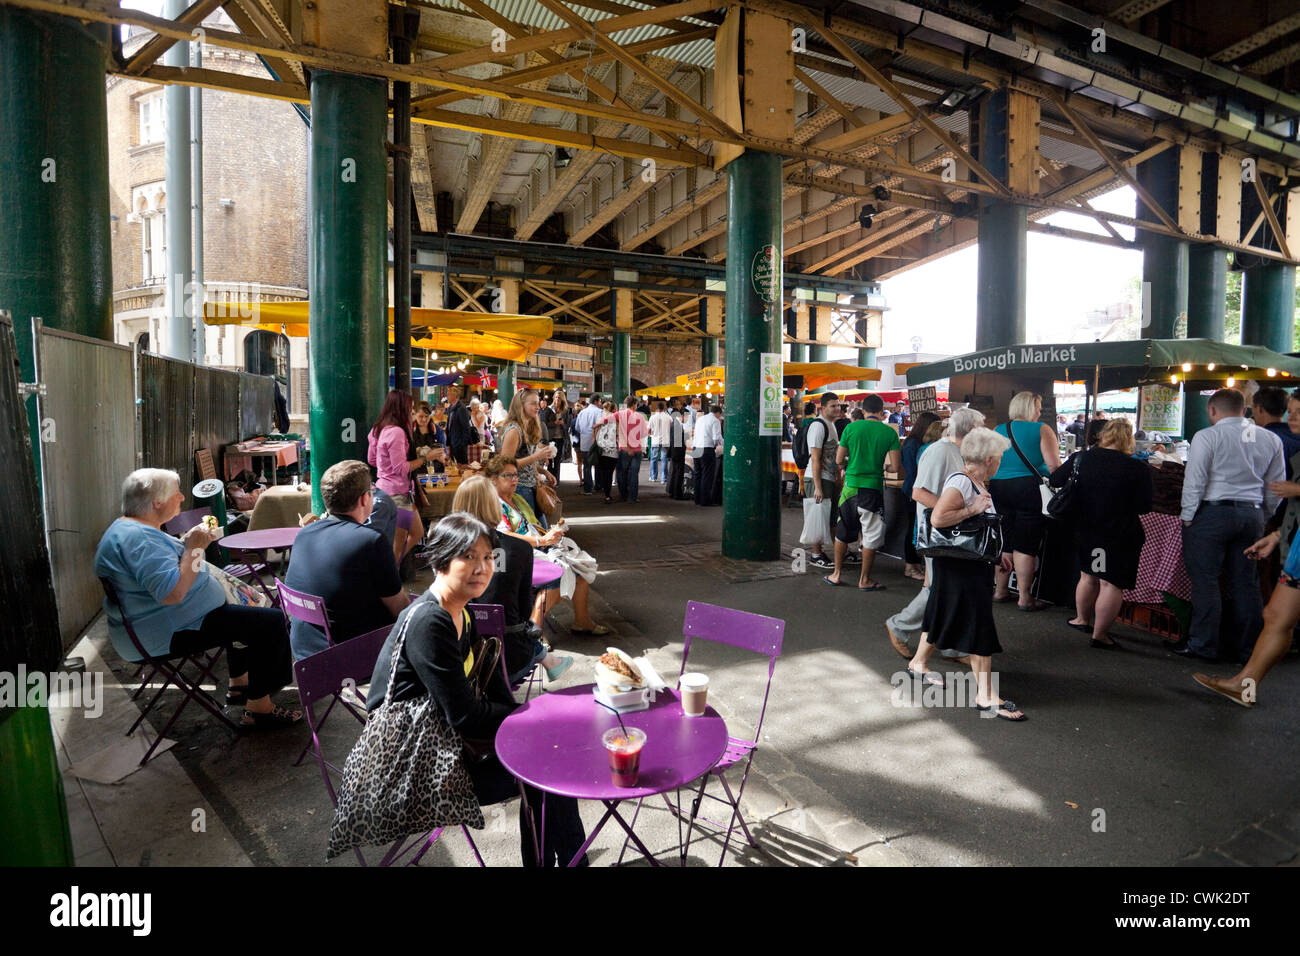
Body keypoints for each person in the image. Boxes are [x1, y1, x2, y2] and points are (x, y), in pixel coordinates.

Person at [365, 513, 588, 866]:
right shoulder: (430, 621)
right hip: (417, 768)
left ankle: (569, 862)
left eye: (487, 557)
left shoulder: (460, 611)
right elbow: (465, 714)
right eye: (468, 557)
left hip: (449, 741)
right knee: (546, 768)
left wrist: (531, 722)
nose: (481, 567)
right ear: (440, 560)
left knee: (549, 753)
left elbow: (489, 682)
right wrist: (528, 719)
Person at [93, 468, 300, 728]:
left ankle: (240, 684)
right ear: (157, 502)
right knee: (271, 623)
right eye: (175, 493)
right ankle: (259, 708)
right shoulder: (138, 540)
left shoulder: (129, 527)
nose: (181, 497)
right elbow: (172, 592)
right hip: (164, 632)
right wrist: (194, 548)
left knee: (241, 606)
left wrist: (189, 548)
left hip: (166, 622)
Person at [905, 428, 1024, 720]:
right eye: (999, 458)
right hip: (961, 565)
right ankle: (985, 695)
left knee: (942, 608)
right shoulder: (963, 482)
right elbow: (939, 517)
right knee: (978, 622)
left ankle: (918, 663)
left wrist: (996, 556)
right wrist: (972, 509)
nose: (1000, 463)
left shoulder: (971, 480)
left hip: (963, 562)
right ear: (989, 459)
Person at [1178, 388, 1284, 662]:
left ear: (1212, 410)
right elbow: (1275, 487)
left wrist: (1188, 515)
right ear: (1244, 410)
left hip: (1212, 514)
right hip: (1252, 515)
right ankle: (1248, 648)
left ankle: (1204, 645)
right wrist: (1263, 515)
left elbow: (1195, 480)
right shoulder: (1270, 439)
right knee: (1245, 582)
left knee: (1206, 581)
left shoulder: (1207, 436)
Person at [885, 406, 986, 662]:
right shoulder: (940, 451)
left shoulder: (954, 451)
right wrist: (963, 510)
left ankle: (950, 644)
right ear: (970, 429)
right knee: (940, 587)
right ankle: (901, 625)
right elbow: (919, 492)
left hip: (948, 529)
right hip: (940, 531)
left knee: (943, 587)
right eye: (980, 426)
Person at [284, 461, 409, 660]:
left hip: (305, 651)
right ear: (364, 499)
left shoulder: (303, 534)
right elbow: (400, 609)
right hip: (349, 654)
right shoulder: (371, 541)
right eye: (371, 491)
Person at [452, 476, 572, 683]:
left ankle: (549, 660)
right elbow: (525, 611)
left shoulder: (447, 547)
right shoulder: (518, 549)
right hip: (506, 659)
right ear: (494, 505)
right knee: (518, 624)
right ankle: (548, 660)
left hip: (457, 661)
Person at [1050, 419, 1152, 649]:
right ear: (1128, 439)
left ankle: (1081, 619)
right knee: (1111, 584)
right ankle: (1100, 635)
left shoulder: (1082, 458)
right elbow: (1145, 506)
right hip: (1120, 531)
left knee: (1088, 576)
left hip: (1086, 527)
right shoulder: (1137, 468)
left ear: (1104, 435)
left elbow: (1056, 479)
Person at [484, 456, 609, 636]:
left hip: (532, 550)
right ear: (493, 480)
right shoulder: (495, 503)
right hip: (515, 556)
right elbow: (503, 536)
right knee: (559, 575)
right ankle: (534, 629)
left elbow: (532, 527)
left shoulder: (517, 499)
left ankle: (582, 621)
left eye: (515, 475)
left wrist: (550, 535)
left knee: (580, 571)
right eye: (507, 476)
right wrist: (541, 541)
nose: (514, 479)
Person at [989, 391, 1061, 611]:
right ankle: (1024, 597)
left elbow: (991, 461)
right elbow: (1054, 467)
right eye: (1038, 407)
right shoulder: (1042, 429)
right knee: (1025, 543)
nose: (1040, 412)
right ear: (1031, 408)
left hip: (999, 487)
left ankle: (1000, 591)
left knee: (1006, 540)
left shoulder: (999, 429)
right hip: (1027, 488)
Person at [824, 393, 901, 590]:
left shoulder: (850, 428)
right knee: (870, 535)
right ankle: (864, 579)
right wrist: (883, 468)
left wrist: (851, 464)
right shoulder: (890, 433)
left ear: (864, 410)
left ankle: (836, 574)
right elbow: (895, 468)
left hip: (850, 488)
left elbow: (839, 460)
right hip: (872, 490)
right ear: (881, 411)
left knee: (842, 532)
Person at [368, 389, 437, 568]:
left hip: (386, 490)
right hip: (398, 494)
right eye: (410, 408)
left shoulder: (377, 429)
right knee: (398, 545)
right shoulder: (397, 432)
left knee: (417, 532)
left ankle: (388, 570)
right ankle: (388, 580)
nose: (412, 412)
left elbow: (372, 460)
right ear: (401, 409)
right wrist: (425, 458)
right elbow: (401, 468)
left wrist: (386, 467)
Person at [496, 388, 558, 517]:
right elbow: (505, 464)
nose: (538, 407)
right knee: (533, 531)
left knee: (538, 530)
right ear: (521, 405)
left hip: (529, 486)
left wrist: (544, 471)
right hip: (519, 488)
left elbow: (524, 461)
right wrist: (536, 456)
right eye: (533, 403)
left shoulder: (526, 427)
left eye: (538, 403)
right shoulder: (514, 430)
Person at [801, 392, 841, 570]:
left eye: (838, 405)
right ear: (822, 408)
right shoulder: (818, 426)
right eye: (833, 405)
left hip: (829, 478)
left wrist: (838, 477)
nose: (837, 408)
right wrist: (817, 487)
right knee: (818, 516)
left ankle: (836, 551)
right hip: (818, 478)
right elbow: (816, 459)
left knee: (830, 517)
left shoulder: (831, 425)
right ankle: (816, 554)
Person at [900, 411, 941, 581]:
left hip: (914, 490)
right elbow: (913, 472)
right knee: (912, 529)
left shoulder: (915, 443)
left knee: (914, 528)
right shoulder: (913, 445)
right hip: (913, 491)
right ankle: (910, 566)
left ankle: (915, 564)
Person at [600, 396, 648, 503]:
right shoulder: (640, 417)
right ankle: (633, 497)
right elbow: (644, 433)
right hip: (637, 449)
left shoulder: (619, 414)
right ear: (634, 404)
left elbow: (605, 420)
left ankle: (623, 495)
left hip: (623, 448)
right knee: (634, 474)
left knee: (622, 473)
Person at [1251, 386, 1300, 477]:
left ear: (1259, 409)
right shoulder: (1293, 434)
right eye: (1290, 412)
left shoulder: (1262, 439)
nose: (1291, 418)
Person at [693, 402, 725, 506]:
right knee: (707, 475)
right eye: (720, 415)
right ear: (718, 413)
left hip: (696, 448)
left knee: (697, 474)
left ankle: (697, 499)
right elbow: (716, 438)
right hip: (706, 449)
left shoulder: (700, 419)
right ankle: (705, 501)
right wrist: (724, 444)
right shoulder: (715, 421)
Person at [541, 392, 572, 483]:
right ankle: (549, 478)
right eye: (556, 397)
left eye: (559, 397)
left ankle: (556, 479)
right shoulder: (549, 409)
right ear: (554, 398)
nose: (557, 399)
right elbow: (544, 423)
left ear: (562, 399)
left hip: (561, 437)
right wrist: (554, 423)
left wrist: (563, 424)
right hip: (550, 437)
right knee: (549, 459)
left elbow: (568, 425)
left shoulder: (565, 410)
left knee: (558, 459)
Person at [412, 401, 447, 473]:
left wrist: (442, 456)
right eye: (421, 416)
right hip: (416, 472)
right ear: (415, 414)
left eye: (426, 416)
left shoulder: (437, 430)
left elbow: (444, 454)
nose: (424, 419)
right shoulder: (410, 430)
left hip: (436, 472)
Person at [444, 386, 473, 465]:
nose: (447, 396)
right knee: (454, 466)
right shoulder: (450, 407)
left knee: (462, 465)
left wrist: (462, 443)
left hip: (459, 444)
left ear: (455, 396)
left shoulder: (461, 408)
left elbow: (466, 427)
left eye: (449, 394)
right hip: (452, 442)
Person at [647, 401, 674, 484]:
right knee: (664, 459)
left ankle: (653, 477)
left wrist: (651, 434)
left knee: (654, 459)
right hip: (666, 440)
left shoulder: (652, 417)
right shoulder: (668, 417)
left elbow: (648, 431)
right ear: (664, 408)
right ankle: (664, 479)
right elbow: (671, 428)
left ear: (657, 408)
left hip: (655, 440)